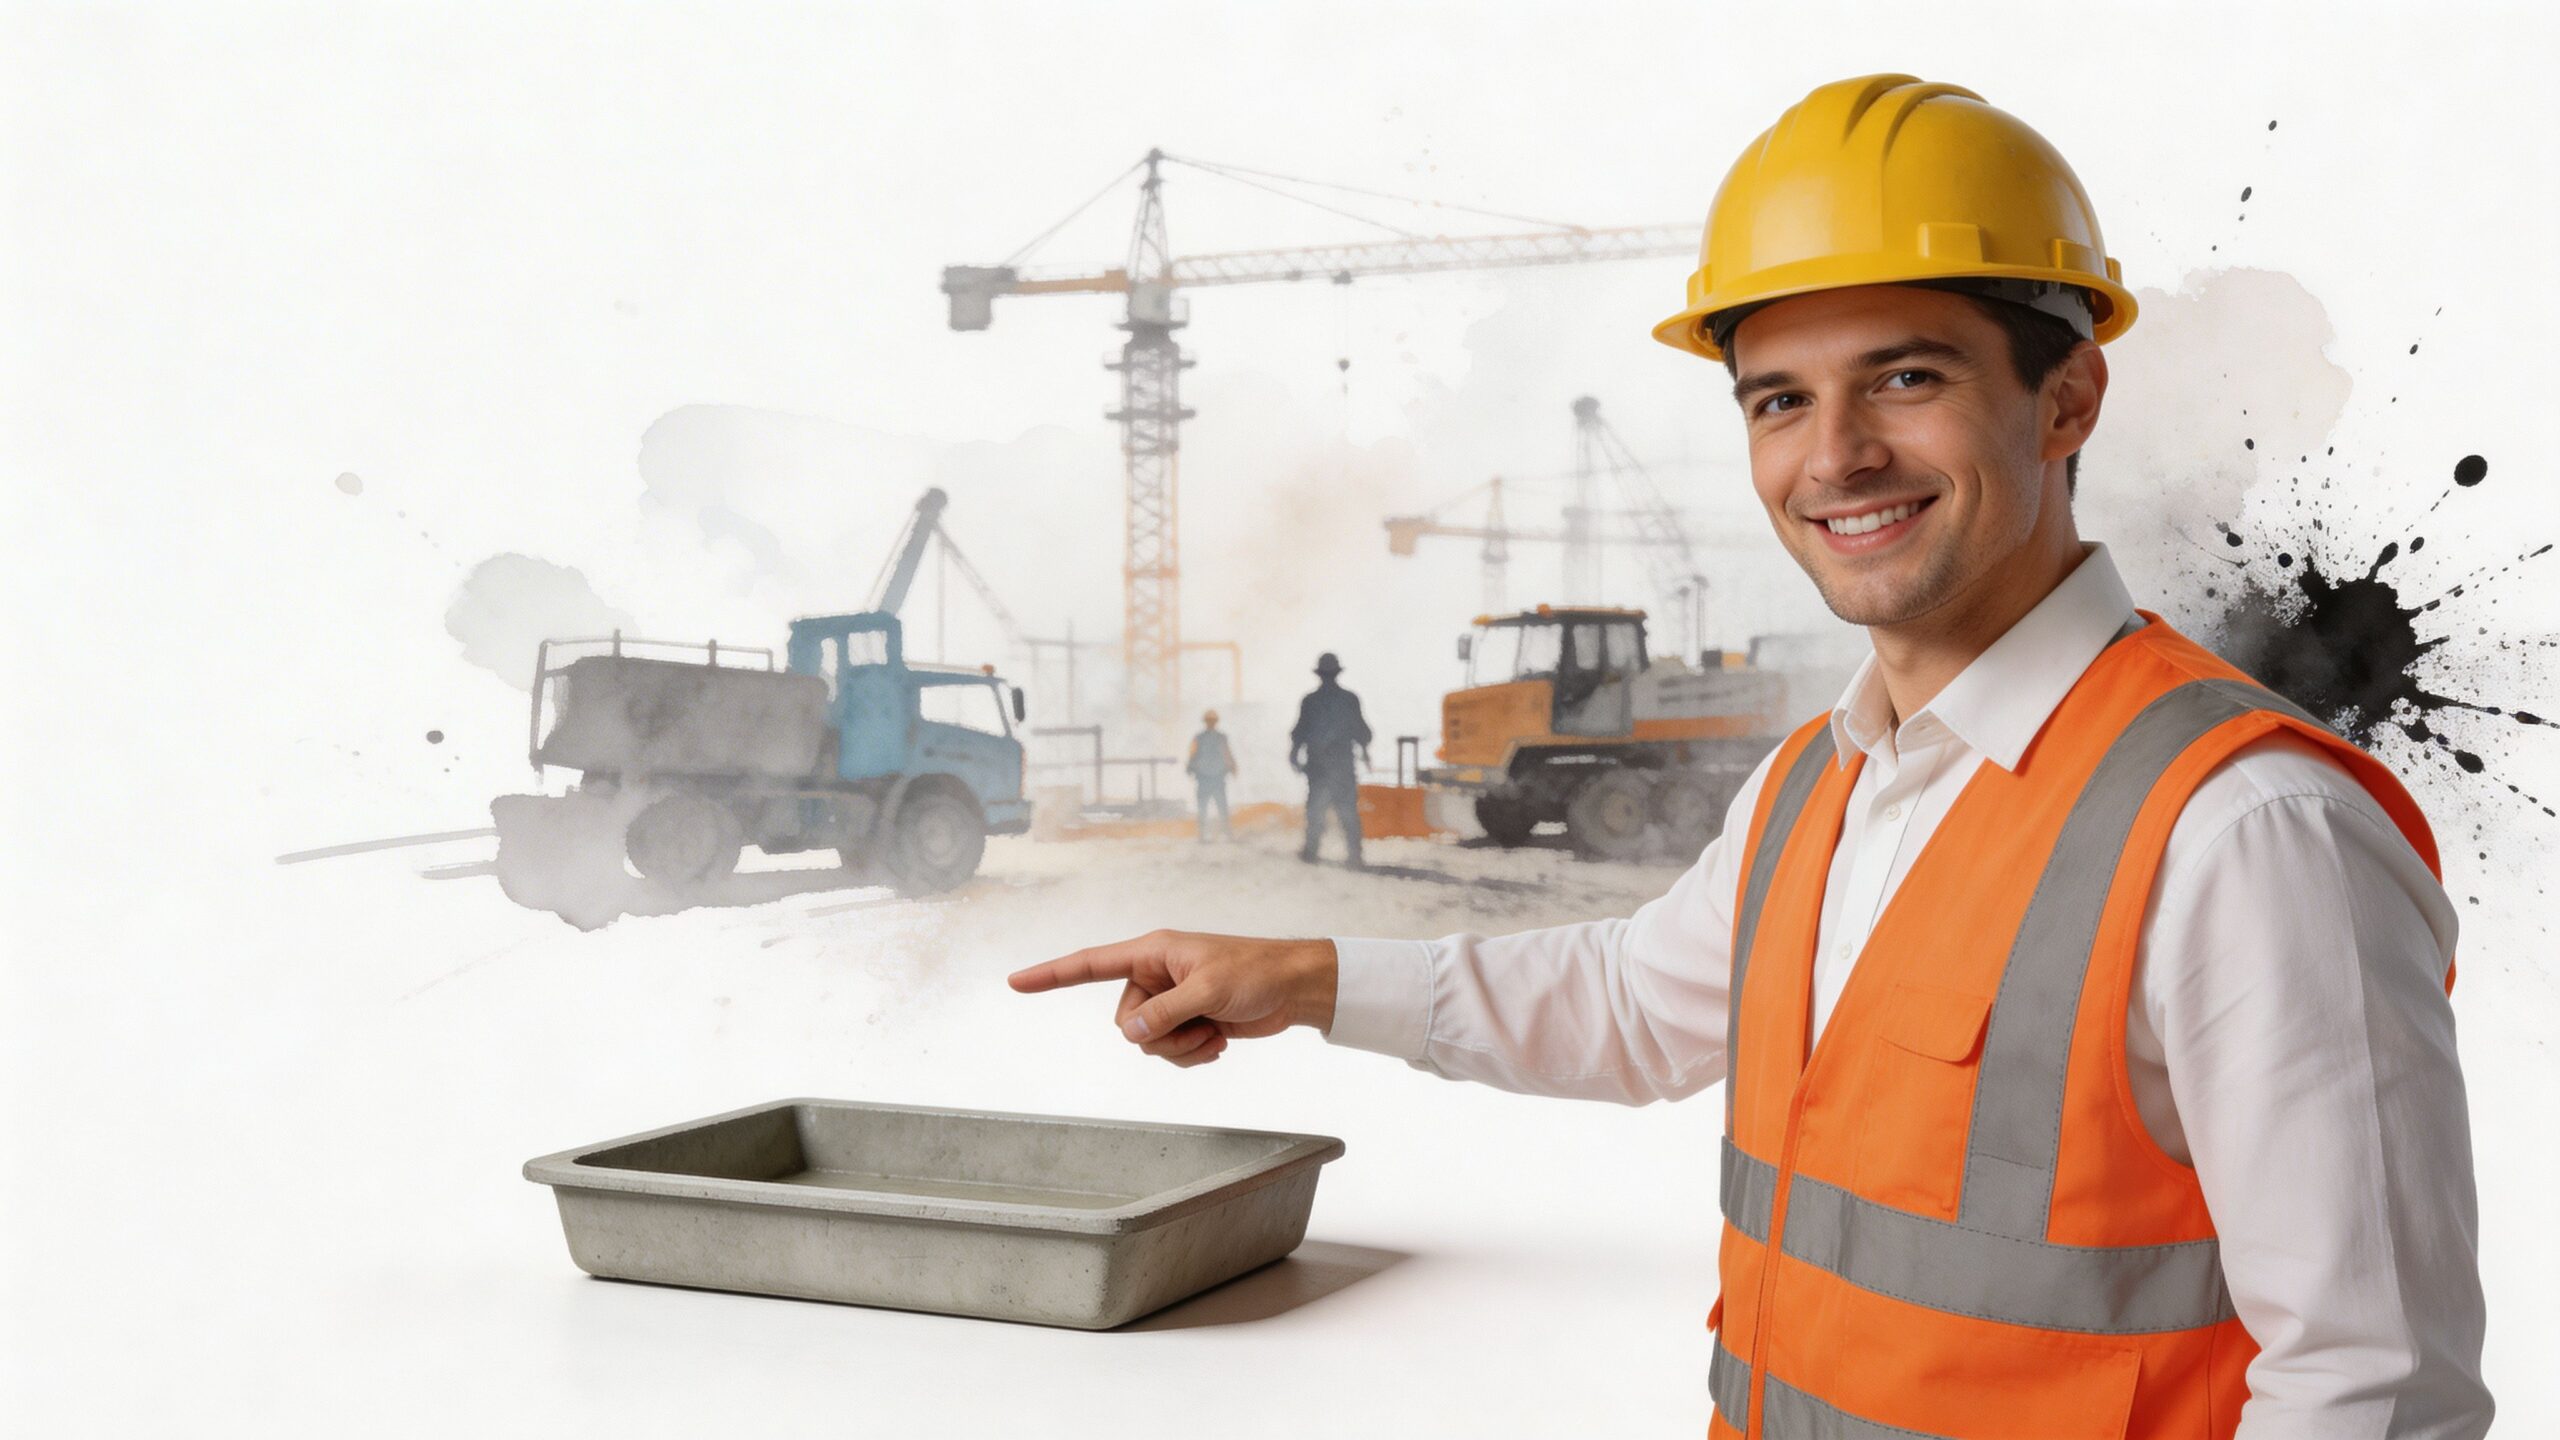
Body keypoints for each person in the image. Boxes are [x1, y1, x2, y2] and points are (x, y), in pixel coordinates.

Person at [1007, 75, 2491, 1438]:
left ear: (2068, 399)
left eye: (1904, 378)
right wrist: (1305, 978)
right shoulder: (1814, 786)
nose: (1832, 455)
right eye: (1779, 399)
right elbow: (1633, 1006)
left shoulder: (2246, 829)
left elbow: (2372, 1390)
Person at [1289, 653, 1371, 869]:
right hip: (1342, 765)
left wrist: (1294, 754)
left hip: (1317, 766)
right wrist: (1364, 750)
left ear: (1320, 675)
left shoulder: (1310, 701)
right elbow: (1362, 731)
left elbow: (1299, 732)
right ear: (1336, 674)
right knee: (1347, 811)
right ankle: (1354, 856)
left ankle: (1311, 852)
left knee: (1316, 810)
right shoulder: (1350, 699)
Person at [1184, 708, 1235, 842]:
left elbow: (1227, 754)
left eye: (1211, 721)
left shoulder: (1214, 738)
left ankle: (1222, 834)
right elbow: (1193, 754)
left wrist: (1190, 768)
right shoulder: (1209, 738)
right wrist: (1232, 767)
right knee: (1208, 808)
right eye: (1210, 721)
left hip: (1212, 777)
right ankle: (1205, 835)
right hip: (1209, 778)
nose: (1211, 723)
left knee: (1218, 807)